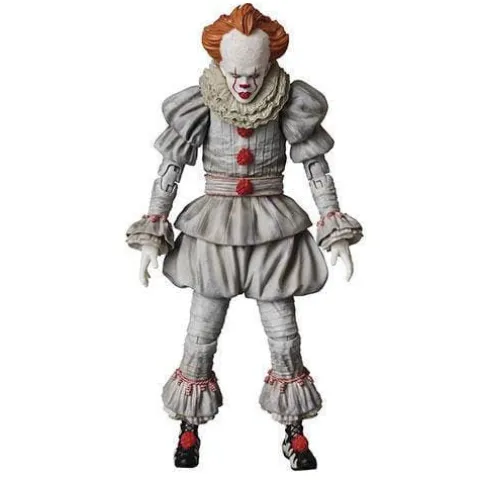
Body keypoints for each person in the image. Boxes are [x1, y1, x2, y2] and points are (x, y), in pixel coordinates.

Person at [126, 3, 363, 471]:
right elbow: (169, 170)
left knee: (284, 334)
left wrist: (332, 225)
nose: (244, 82)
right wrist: (154, 229)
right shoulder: (201, 102)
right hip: (213, 230)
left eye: (253, 72)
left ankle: (294, 428)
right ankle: (189, 426)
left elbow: (317, 168)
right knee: (201, 332)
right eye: (235, 72)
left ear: (269, 63)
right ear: (220, 63)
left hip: (274, 231)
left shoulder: (289, 101)